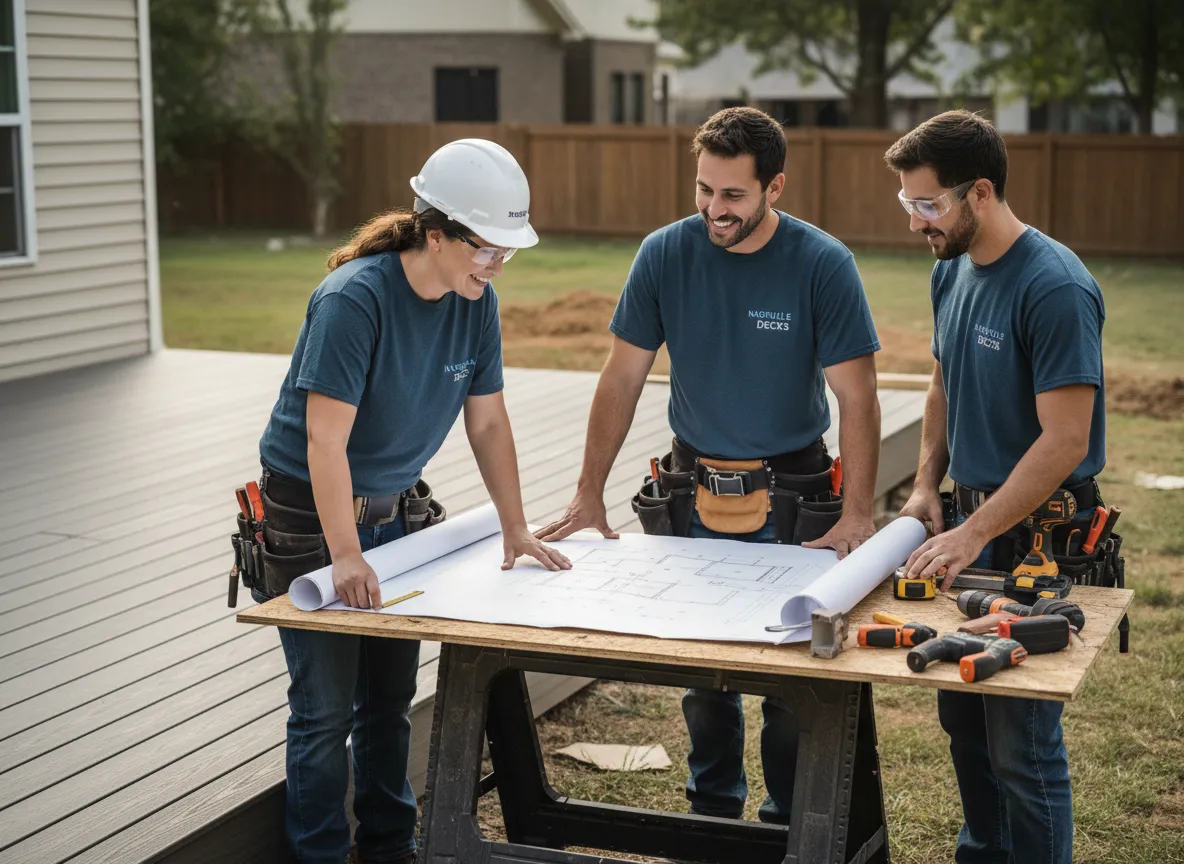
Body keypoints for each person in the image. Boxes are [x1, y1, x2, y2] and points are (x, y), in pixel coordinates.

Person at [537, 107, 883, 824]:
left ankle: (790, 822)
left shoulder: (823, 264)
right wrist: (588, 493)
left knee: (791, 678)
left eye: (732, 195)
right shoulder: (665, 253)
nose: (712, 210)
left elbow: (858, 395)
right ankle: (712, 818)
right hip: (691, 495)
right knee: (704, 678)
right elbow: (622, 377)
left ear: (774, 188)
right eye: (703, 190)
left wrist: (857, 514)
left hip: (796, 496)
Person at [250, 138, 570, 864]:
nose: (495, 267)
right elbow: (323, 444)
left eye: (505, 254)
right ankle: (322, 856)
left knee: (389, 703)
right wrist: (343, 555)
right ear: (437, 235)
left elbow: (487, 420)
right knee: (325, 713)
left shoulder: (473, 302)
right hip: (311, 519)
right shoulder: (352, 302)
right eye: (486, 250)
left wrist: (515, 527)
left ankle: (391, 849)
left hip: (396, 516)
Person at [886, 110, 1111, 864]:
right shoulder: (949, 268)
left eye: (929, 203)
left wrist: (974, 531)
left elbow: (1067, 439)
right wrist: (927, 488)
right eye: (909, 204)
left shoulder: (1054, 288)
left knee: (1020, 741)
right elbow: (943, 381)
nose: (918, 221)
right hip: (970, 528)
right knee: (964, 721)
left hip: (1035, 538)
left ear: (979, 192)